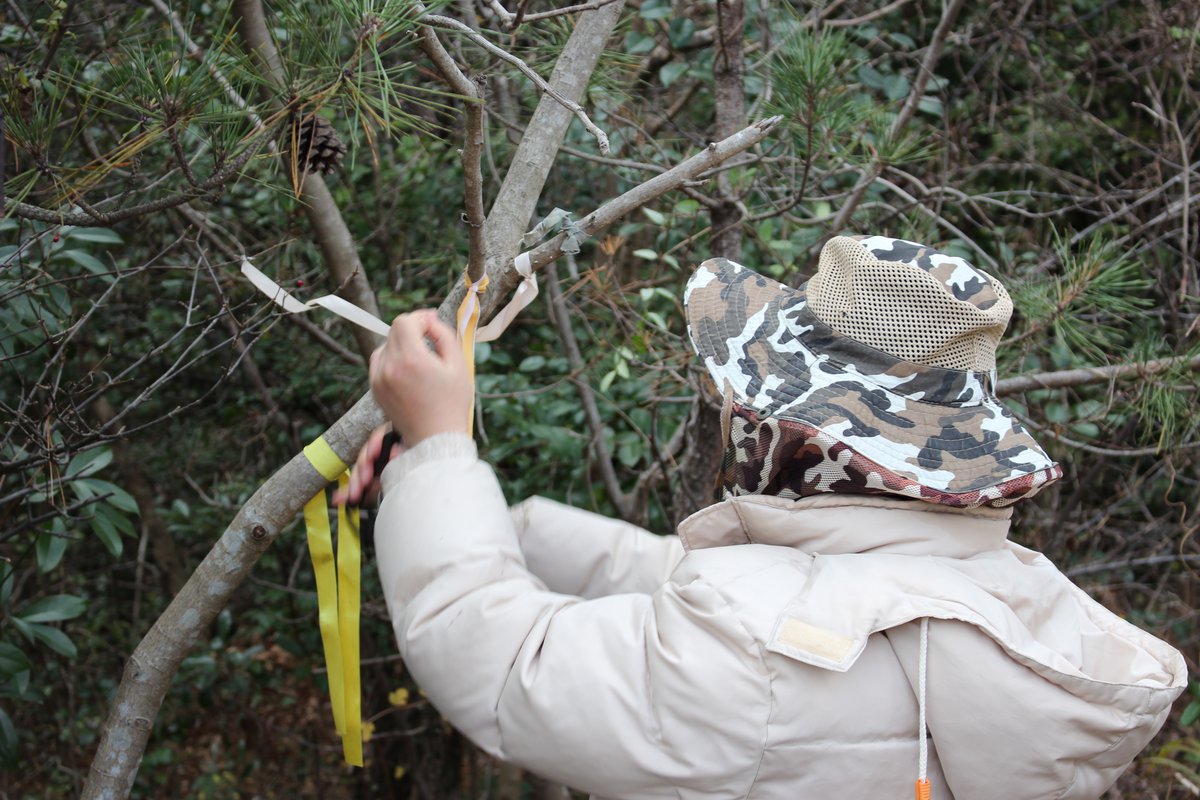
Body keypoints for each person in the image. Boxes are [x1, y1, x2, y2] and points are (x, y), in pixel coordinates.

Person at [343, 235, 1186, 799]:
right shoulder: (1002, 595)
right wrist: (498, 518)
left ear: (785, 432)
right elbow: (722, 606)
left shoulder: (756, 658)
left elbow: (504, 665)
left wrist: (441, 443)